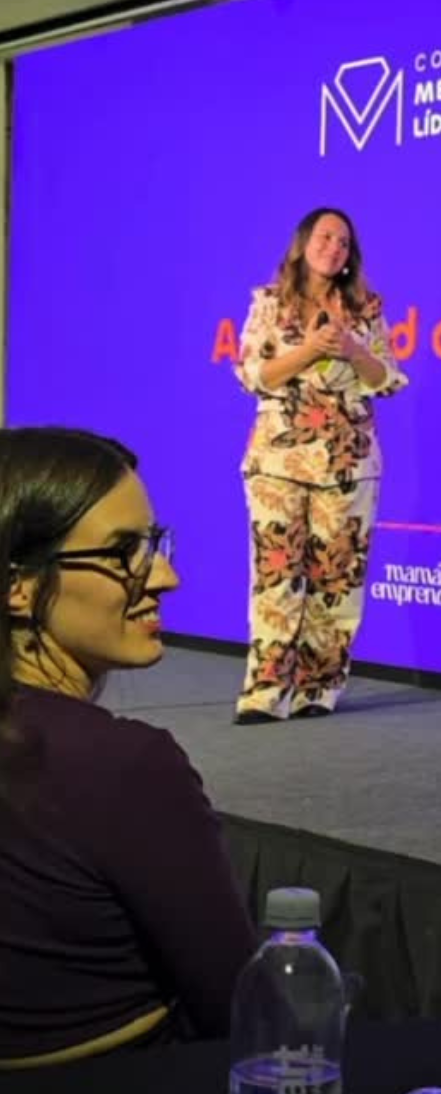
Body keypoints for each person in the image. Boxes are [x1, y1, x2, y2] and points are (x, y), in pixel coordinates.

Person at [0, 427, 256, 1068]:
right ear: (18, 586)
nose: (165, 577)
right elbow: (241, 1014)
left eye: (153, 543)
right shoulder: (127, 766)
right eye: (123, 553)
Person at [234, 206, 407, 723]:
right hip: (279, 458)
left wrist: (352, 349)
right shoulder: (269, 303)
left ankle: (319, 687)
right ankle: (266, 693)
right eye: (325, 237)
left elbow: (386, 379)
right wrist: (309, 349)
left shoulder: (366, 310)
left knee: (337, 578)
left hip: (348, 460)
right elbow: (254, 374)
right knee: (276, 575)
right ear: (303, 243)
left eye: (343, 242)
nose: (334, 247)